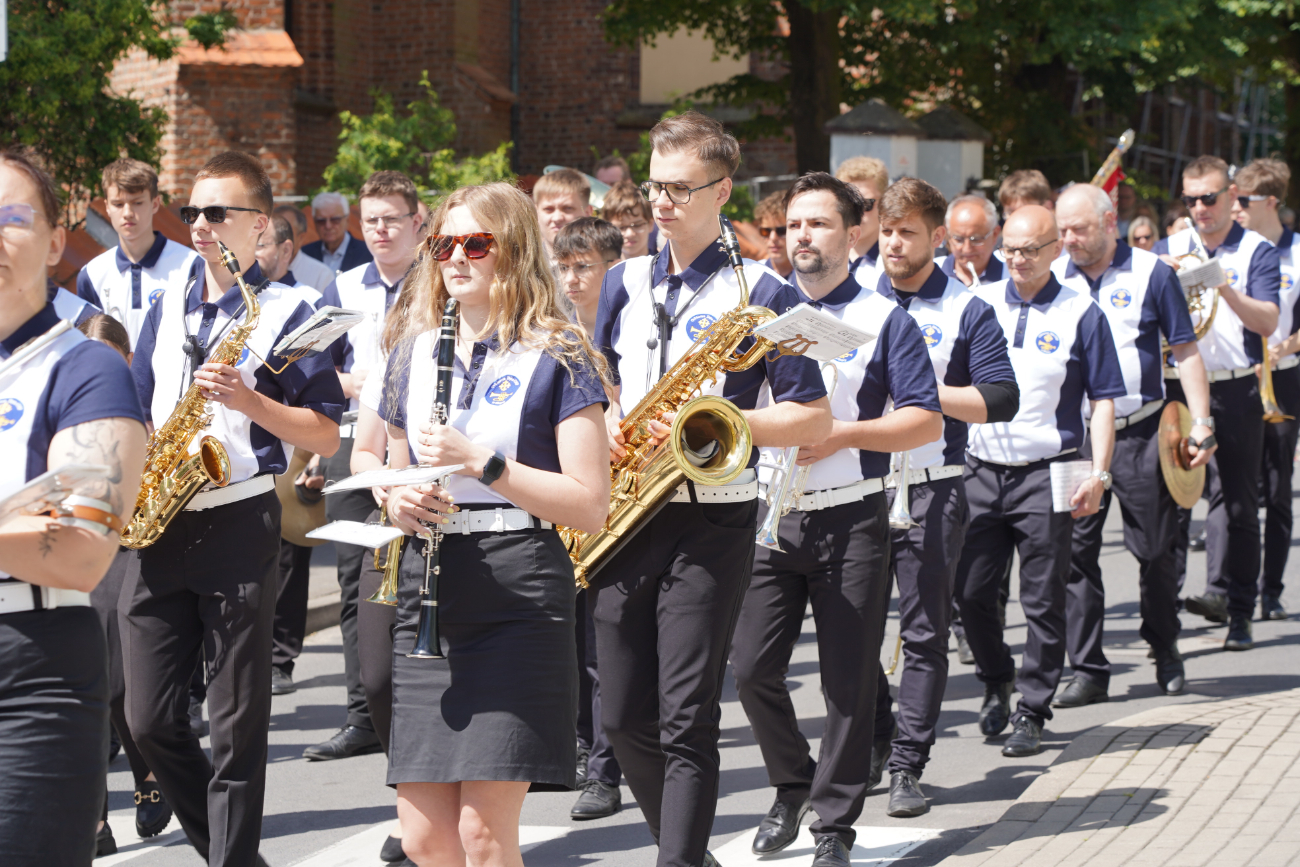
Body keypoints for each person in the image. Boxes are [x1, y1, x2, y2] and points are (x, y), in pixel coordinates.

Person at [592, 111, 832, 867]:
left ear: (722, 189)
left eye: (678, 188)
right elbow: (596, 378)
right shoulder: (623, 281)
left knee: (685, 715)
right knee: (622, 715)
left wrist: (713, 420)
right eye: (653, 185)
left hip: (712, 517)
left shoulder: (763, 290)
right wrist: (597, 422)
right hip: (625, 513)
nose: (659, 202)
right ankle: (693, 855)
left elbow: (812, 415)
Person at [377, 181, 611, 867]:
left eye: (475, 243)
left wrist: (486, 462)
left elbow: (589, 503)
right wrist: (397, 501)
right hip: (431, 585)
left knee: (483, 834)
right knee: (423, 839)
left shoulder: (560, 355)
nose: (455, 257)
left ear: (513, 253)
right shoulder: (410, 352)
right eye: (443, 244)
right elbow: (391, 469)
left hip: (519, 589)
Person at [124, 151, 345, 867]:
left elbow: (325, 431)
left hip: (239, 513)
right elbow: (135, 409)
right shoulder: (165, 302)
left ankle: (230, 858)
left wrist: (251, 402)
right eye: (191, 212)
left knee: (236, 718)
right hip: (162, 519)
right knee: (149, 717)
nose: (200, 225)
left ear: (260, 227)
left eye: (217, 213)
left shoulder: (290, 312)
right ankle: (230, 852)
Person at [729, 173, 943, 867]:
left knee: (847, 679)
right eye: (793, 225)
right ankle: (792, 784)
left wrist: (846, 435)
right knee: (753, 667)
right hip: (769, 512)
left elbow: (923, 418)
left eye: (818, 224)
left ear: (854, 234)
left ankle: (833, 824)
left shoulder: (887, 319)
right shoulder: (761, 313)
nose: (802, 237)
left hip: (850, 516)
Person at [0, 150, 148, 865]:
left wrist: (43, 532)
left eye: (12, 217)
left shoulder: (84, 367)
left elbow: (80, 550)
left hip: (30, 666)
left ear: (57, 241)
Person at [868, 178, 1018, 819]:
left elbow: (999, 398)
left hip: (933, 484)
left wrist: (922, 389)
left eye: (907, 233)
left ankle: (908, 764)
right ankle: (876, 738)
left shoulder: (967, 308)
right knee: (852, 630)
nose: (894, 244)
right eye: (886, 232)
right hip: (855, 485)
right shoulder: (852, 298)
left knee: (925, 631)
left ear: (936, 239)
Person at [958, 205, 1125, 758]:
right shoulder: (978, 303)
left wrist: (1099, 473)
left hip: (1052, 467)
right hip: (980, 467)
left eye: (1031, 249)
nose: (1019, 260)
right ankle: (996, 676)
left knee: (1044, 596)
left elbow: (1103, 401)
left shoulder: (1083, 312)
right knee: (972, 592)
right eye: (1010, 249)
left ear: (1056, 249)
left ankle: (1032, 708)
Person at [1053, 183, 1215, 707]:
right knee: (1077, 554)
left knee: (1155, 550)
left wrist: (1203, 422)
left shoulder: (1153, 273)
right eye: (1062, 230)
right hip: (1078, 438)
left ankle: (1164, 647)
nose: (1068, 239)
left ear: (1109, 221)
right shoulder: (1054, 277)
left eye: (1078, 229)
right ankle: (1088, 668)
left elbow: (1186, 351)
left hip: (1145, 432)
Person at [308, 171, 425, 760]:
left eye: (391, 219)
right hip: (356, 443)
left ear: (417, 222)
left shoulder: (438, 282)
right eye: (370, 220)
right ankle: (363, 714)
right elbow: (307, 367)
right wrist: (347, 381)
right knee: (357, 582)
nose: (379, 230)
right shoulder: (342, 286)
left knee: (423, 577)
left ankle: (422, 703)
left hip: (423, 444)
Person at [1155, 156, 1281, 651]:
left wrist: (1221, 283)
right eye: (1190, 199)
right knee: (1167, 506)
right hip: (1175, 387)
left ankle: (1240, 612)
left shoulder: (1257, 250)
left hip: (1233, 387)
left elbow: (1267, 322)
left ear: (1232, 196)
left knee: (1241, 505)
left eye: (1209, 198)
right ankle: (1164, 622)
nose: (1200, 208)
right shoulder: (1170, 248)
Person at [75, 314, 177, 856]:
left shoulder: (149, 408)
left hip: (133, 547)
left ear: (128, 359)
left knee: (117, 685)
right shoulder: (68, 406)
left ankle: (149, 775)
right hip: (78, 549)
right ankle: (94, 823)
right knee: (87, 688)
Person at [1232, 158, 1299, 621]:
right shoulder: (1236, 250)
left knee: (1275, 489)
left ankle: (1270, 589)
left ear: (1270, 202)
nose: (1234, 207)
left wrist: (1285, 347)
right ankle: (1232, 587)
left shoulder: (1296, 251)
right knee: (1238, 490)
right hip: (1240, 377)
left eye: (1243, 200)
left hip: (1285, 376)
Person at [77, 159, 198, 347]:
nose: (127, 212)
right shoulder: (91, 274)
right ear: (107, 206)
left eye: (137, 202)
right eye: (118, 204)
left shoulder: (191, 265)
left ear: (155, 203)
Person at [554, 217, 622, 334]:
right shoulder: (557, 342)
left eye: (582, 267)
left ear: (614, 268)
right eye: (563, 268)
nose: (570, 279)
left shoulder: (633, 333)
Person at [834, 156, 887, 287]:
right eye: (849, 203)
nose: (857, 212)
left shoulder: (895, 260)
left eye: (866, 203)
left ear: (884, 203)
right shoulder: (827, 256)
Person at [938, 194, 1004, 287]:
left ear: (995, 234)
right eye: (958, 239)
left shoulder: (1014, 280)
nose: (967, 249)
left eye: (976, 239)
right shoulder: (930, 274)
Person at [303, 190, 374, 274]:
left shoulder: (368, 253)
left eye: (335, 220)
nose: (328, 226)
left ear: (347, 220)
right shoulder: (305, 254)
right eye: (321, 220)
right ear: (314, 222)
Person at [274, 204, 336, 292]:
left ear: (301, 238)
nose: (276, 237)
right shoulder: (259, 269)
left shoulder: (321, 275)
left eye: (283, 232)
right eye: (272, 231)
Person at [535, 169, 594, 260]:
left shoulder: (607, 263)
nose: (557, 218)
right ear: (536, 212)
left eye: (567, 208)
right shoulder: (522, 265)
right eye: (548, 209)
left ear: (587, 212)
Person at [603, 179, 659, 259]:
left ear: (650, 224)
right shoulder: (603, 270)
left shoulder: (665, 268)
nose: (629, 234)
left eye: (637, 225)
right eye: (621, 227)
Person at [754, 189, 793, 278]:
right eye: (765, 231)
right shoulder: (754, 275)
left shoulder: (809, 277)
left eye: (781, 230)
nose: (773, 238)